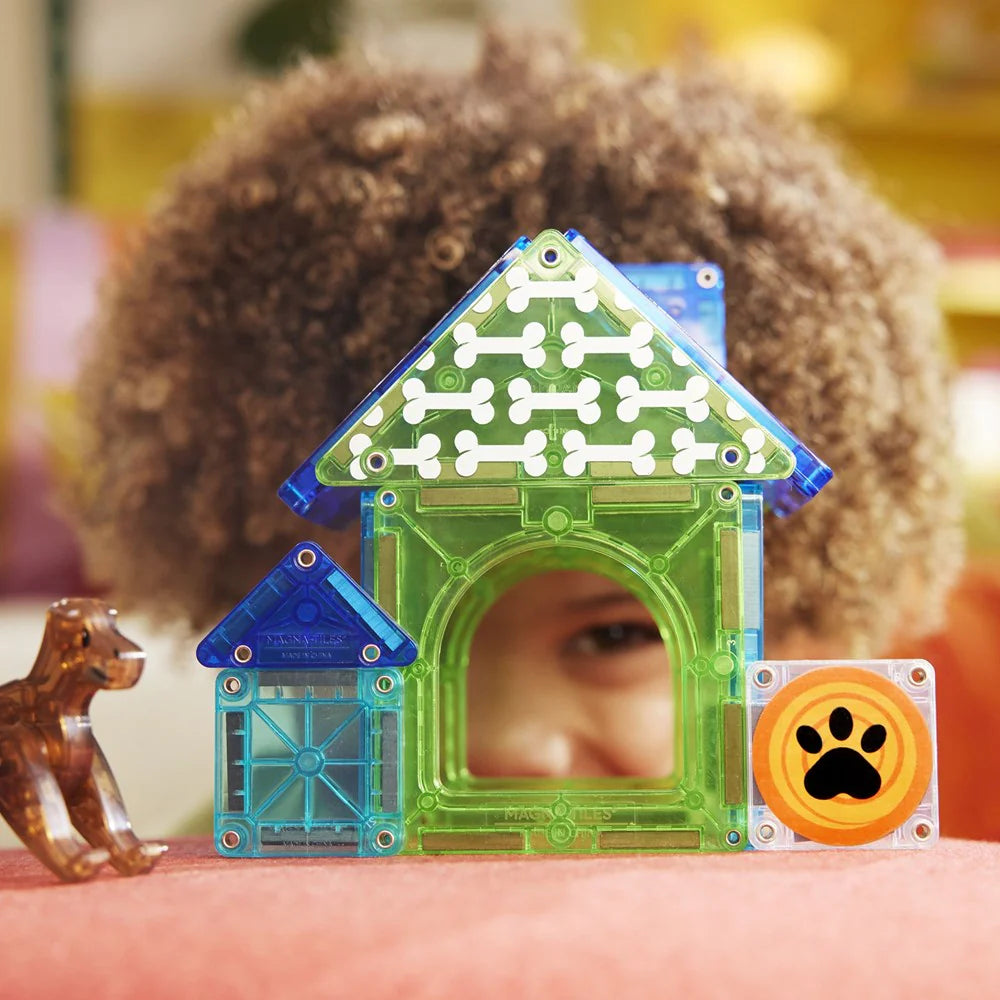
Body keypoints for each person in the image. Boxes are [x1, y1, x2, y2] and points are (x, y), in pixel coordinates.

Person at [72, 31, 961, 783]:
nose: (506, 743)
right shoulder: (211, 911)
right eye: (384, 642)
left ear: (797, 630)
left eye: (616, 634)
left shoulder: (833, 910)